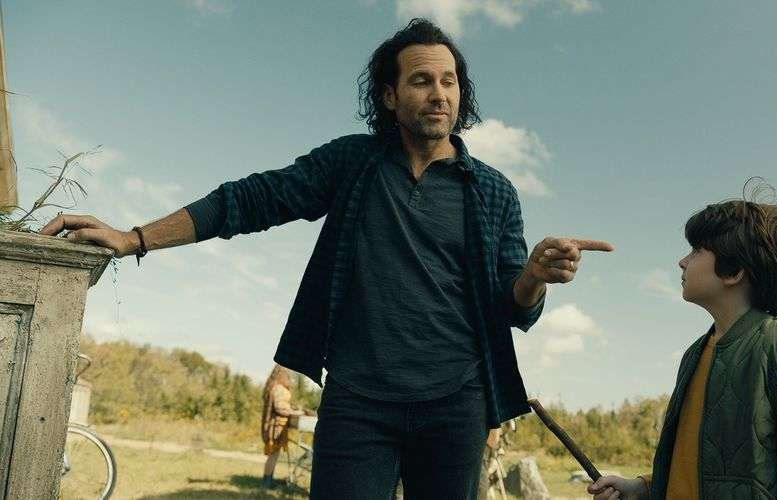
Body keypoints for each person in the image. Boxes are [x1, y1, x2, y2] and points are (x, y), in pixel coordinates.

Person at [40, 18, 612, 499]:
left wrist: (534, 276)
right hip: (358, 402)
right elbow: (250, 200)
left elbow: (514, 308)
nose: (439, 93)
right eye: (420, 80)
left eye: (449, 81)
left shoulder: (493, 191)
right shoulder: (353, 163)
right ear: (390, 96)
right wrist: (134, 237)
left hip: (457, 404)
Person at [588, 180, 777, 500]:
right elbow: (693, 466)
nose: (682, 261)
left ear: (733, 271)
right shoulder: (695, 354)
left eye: (696, 250)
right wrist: (644, 487)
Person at [261, 364, 314, 489]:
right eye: (288, 374)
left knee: (274, 454)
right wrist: (299, 412)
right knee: (273, 454)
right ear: (282, 374)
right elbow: (281, 408)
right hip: (276, 427)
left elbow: (282, 406)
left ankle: (268, 479)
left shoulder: (275, 387)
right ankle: (267, 482)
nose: (290, 377)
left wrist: (295, 409)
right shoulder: (278, 388)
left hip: (275, 425)